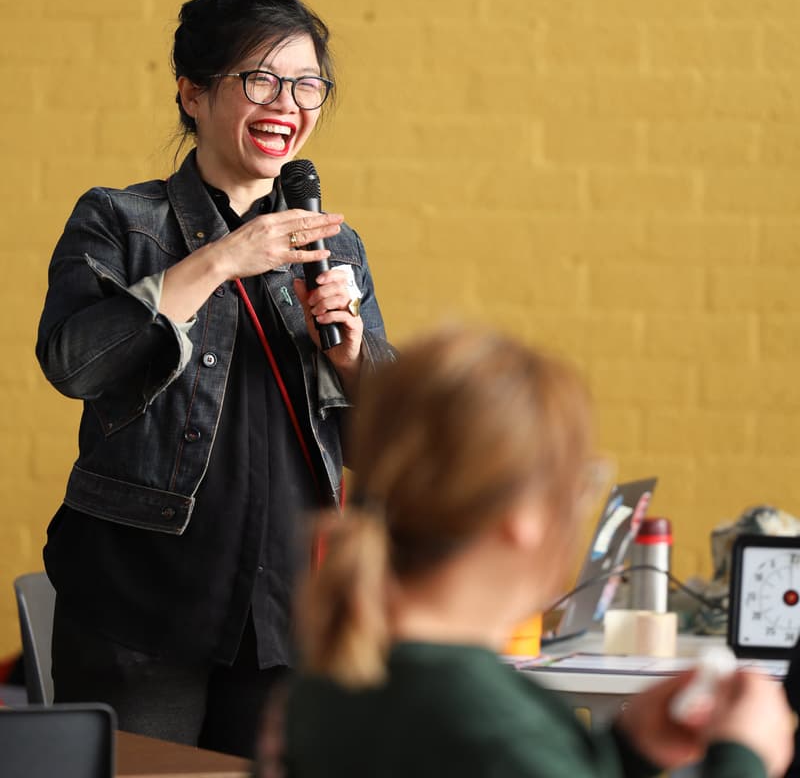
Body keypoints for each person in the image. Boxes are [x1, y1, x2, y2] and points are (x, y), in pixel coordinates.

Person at [35, 0, 392, 759]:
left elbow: (390, 442)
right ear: (192, 92)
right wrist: (224, 258)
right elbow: (72, 363)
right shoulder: (120, 221)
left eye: (307, 84)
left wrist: (350, 354)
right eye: (260, 79)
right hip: (143, 604)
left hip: (288, 607)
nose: (287, 103)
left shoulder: (333, 244)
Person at [273, 327, 794, 778]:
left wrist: (626, 752)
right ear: (520, 519)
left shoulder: (327, 688)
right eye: (579, 485)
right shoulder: (492, 723)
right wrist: (742, 759)